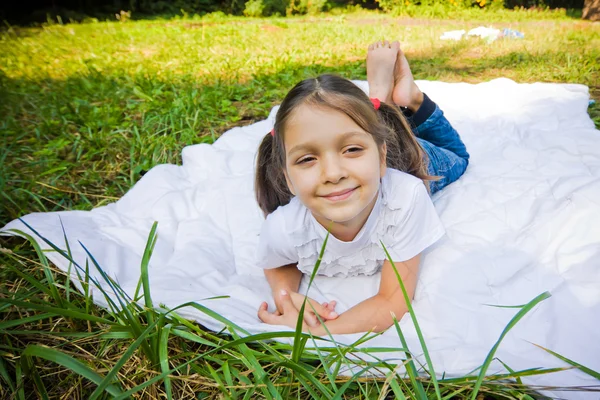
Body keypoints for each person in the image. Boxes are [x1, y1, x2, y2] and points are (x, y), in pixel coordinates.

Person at [253, 40, 469, 335]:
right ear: (287, 177)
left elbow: (393, 301)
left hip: (404, 160)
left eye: (351, 150)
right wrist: (286, 300)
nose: (333, 174)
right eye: (307, 159)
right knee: (365, 132)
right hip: (372, 156)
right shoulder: (284, 227)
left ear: (381, 158)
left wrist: (316, 333)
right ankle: (374, 112)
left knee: (458, 158)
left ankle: (402, 99)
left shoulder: (406, 196)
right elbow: (276, 263)